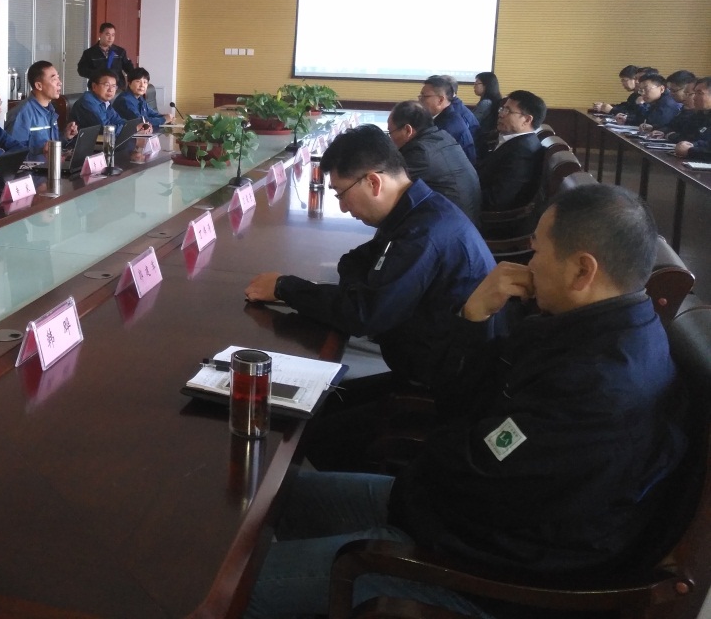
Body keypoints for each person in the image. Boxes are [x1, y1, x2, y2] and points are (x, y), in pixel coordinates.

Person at [243, 186, 689, 619]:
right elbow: (468, 408)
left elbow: (473, 465)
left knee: (232, 588)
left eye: (537, 252)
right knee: (268, 500)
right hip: (444, 513)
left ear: (581, 271)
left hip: (477, 569)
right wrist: (475, 315)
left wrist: (456, 432)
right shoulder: (596, 326)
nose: (528, 265)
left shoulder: (597, 385)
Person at [244, 124, 493, 392]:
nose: (342, 207)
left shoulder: (422, 234)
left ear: (374, 182)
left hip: (439, 377)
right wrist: (361, 293)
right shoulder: (418, 208)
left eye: (341, 194)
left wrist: (284, 287)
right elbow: (354, 262)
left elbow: (362, 315)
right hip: (420, 344)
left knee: (296, 378)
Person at [387, 101, 480, 222]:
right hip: (465, 219)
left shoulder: (419, 152)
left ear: (408, 130)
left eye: (390, 133)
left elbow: (388, 183)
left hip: (451, 224)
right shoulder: (442, 136)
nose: (390, 139)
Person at [476, 90, 546, 212]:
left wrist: (459, 197)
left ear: (527, 120)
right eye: (502, 109)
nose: (501, 114)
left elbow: (496, 200)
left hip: (485, 216)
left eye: (508, 111)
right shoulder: (518, 142)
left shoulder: (522, 152)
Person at [4, 60, 78, 159]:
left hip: (51, 166)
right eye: (54, 79)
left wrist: (65, 136)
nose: (59, 83)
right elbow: (12, 154)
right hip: (34, 168)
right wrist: (40, 150)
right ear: (39, 85)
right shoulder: (22, 113)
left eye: (58, 77)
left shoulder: (50, 109)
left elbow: (50, 144)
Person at [69, 69, 153, 135]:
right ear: (94, 86)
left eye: (113, 86)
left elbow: (118, 120)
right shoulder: (88, 102)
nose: (111, 90)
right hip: (84, 147)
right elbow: (105, 128)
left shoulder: (105, 102)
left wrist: (137, 127)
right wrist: (134, 129)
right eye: (106, 85)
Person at [418, 75, 478, 165]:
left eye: (424, 96)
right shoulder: (444, 116)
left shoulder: (447, 126)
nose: (420, 100)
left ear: (440, 100)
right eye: (420, 96)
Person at [76, 22, 134, 87]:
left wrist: (135, 78)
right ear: (100, 34)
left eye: (113, 35)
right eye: (108, 34)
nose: (110, 38)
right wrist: (97, 75)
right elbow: (81, 70)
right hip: (98, 87)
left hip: (117, 87)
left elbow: (128, 68)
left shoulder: (120, 52)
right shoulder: (89, 53)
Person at [470, 71, 502, 146]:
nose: (474, 87)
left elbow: (472, 121)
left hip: (480, 139)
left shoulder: (486, 103)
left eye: (476, 84)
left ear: (486, 85)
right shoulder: (493, 100)